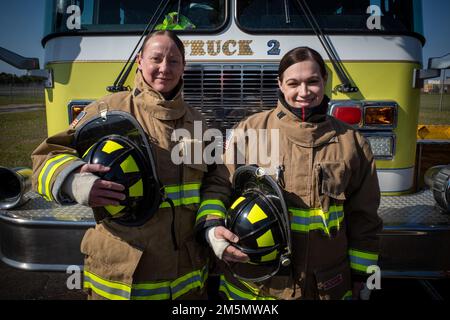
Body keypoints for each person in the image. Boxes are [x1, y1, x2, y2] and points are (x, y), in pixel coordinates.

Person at [31, 30, 230, 300]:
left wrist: (211, 223)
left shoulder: (198, 123)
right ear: (139, 61)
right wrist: (74, 180)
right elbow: (45, 158)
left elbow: (215, 181)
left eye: (173, 61)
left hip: (187, 279)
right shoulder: (108, 112)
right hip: (122, 279)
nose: (164, 68)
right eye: (156, 59)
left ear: (184, 66)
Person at [202, 47, 383, 300]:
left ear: (324, 82)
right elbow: (219, 183)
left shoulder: (352, 143)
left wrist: (363, 275)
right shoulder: (250, 131)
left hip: (324, 287)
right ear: (280, 84)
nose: (303, 92)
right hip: (255, 288)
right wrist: (212, 226)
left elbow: (364, 218)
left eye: (312, 82)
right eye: (293, 83)